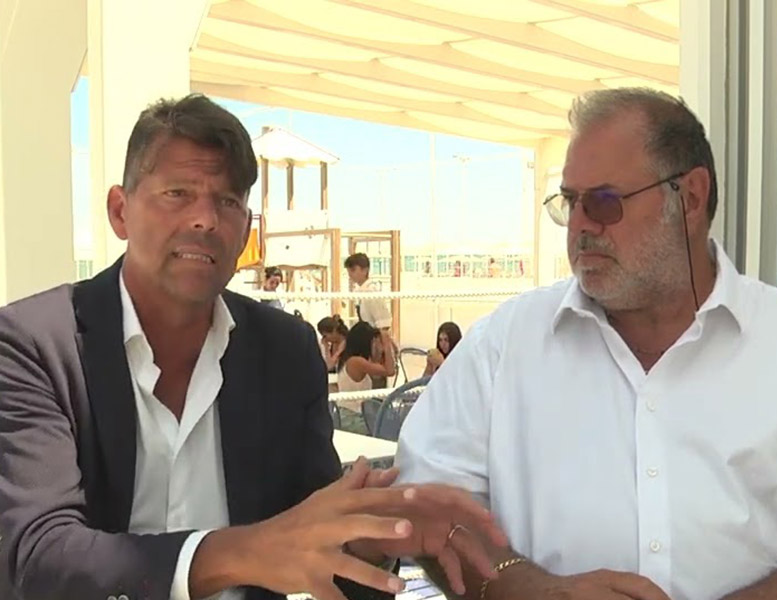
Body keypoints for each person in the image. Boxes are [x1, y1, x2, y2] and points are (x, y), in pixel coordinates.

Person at [0, 94, 509, 600]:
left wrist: (373, 536)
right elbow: (39, 555)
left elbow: (316, 548)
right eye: (178, 193)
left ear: (245, 228)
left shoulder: (285, 351)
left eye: (227, 201)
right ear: (120, 211)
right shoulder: (35, 345)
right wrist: (247, 550)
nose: (205, 219)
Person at [395, 87, 777, 600]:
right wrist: (524, 588)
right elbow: (430, 504)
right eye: (570, 202)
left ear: (690, 197)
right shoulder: (504, 345)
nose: (581, 226)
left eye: (604, 202)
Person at [337, 322, 395, 393]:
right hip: (354, 400)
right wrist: (386, 343)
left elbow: (383, 365)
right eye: (374, 342)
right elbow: (390, 371)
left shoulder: (351, 359)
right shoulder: (356, 361)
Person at [345, 253, 392, 331]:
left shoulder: (372, 292)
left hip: (374, 335)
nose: (350, 274)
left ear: (365, 270)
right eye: (348, 271)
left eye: (353, 270)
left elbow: (383, 322)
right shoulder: (359, 291)